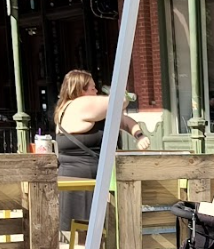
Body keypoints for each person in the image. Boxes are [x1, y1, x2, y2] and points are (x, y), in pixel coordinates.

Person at [53, 70, 151, 232]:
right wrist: (121, 94)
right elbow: (119, 102)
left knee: (95, 238)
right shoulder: (79, 105)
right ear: (80, 90)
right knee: (83, 238)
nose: (97, 91)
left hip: (88, 179)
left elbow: (124, 121)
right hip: (81, 181)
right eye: (92, 88)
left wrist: (139, 135)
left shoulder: (85, 110)